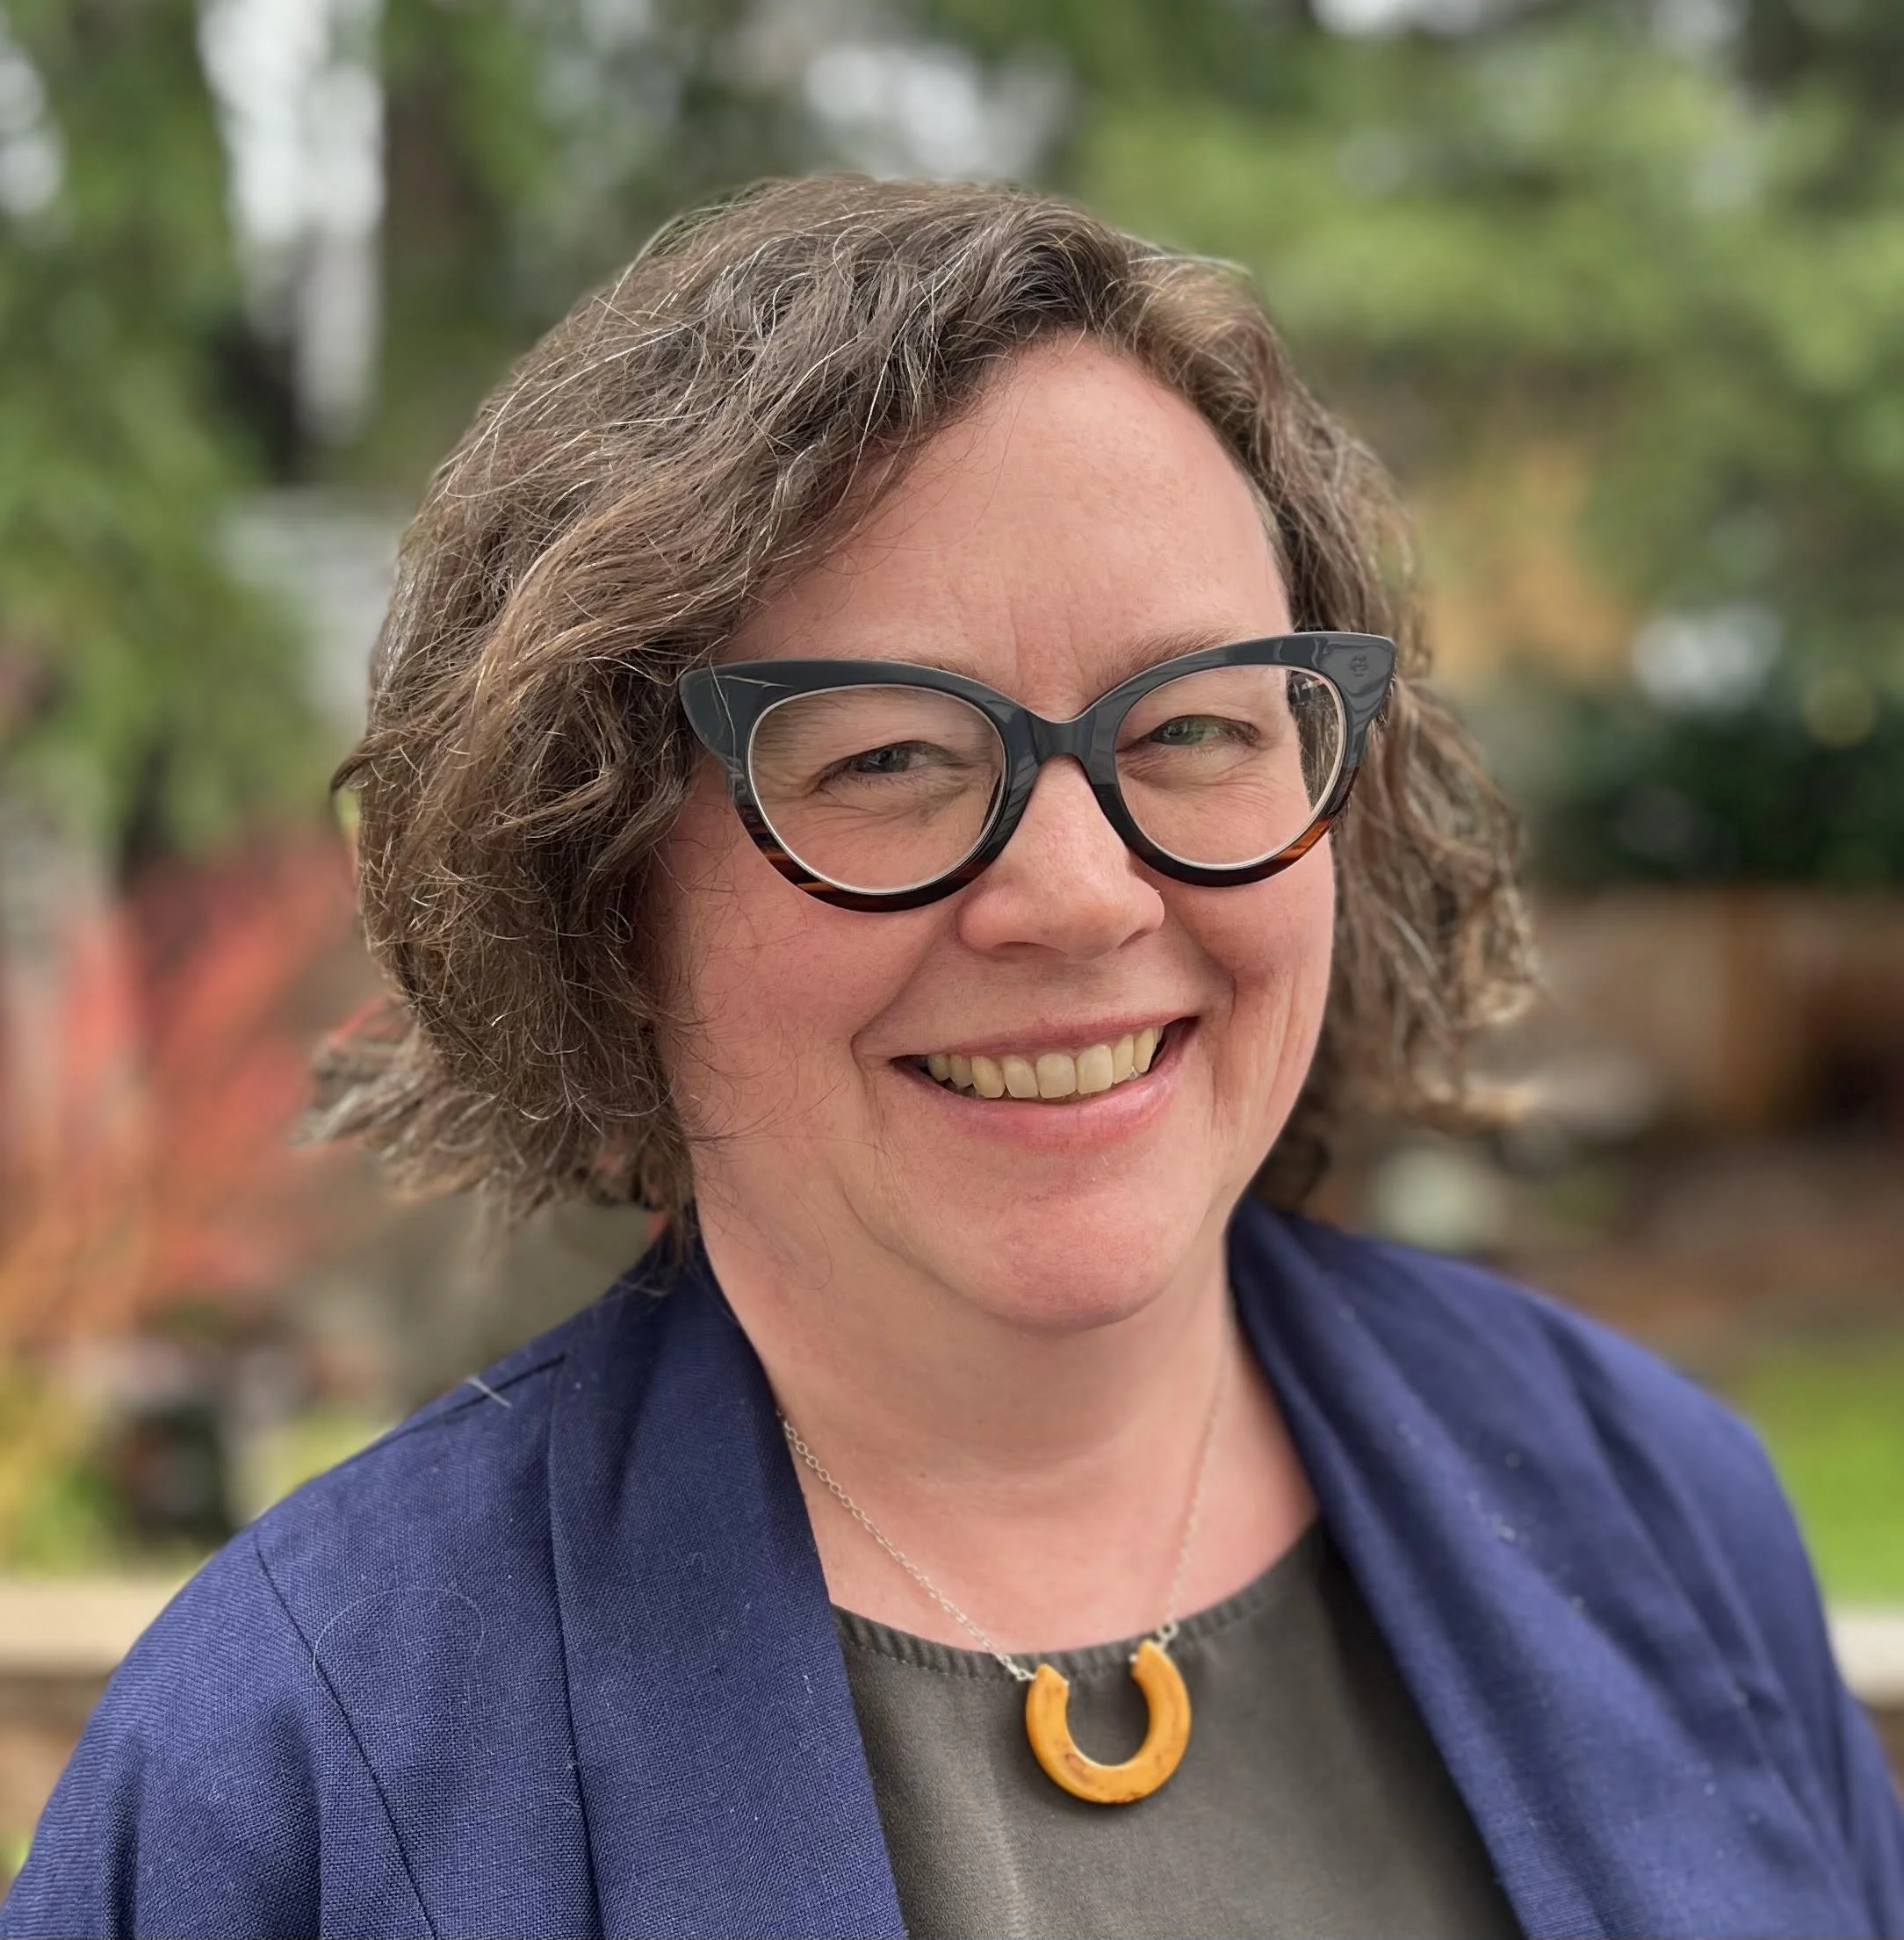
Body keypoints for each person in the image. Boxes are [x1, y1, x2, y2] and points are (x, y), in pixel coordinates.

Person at [5, 176, 1900, 1940]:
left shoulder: (1651, 1509)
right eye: (888, 761)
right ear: (599, 885)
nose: (1078, 896)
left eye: (1195, 729)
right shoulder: (298, 1772)